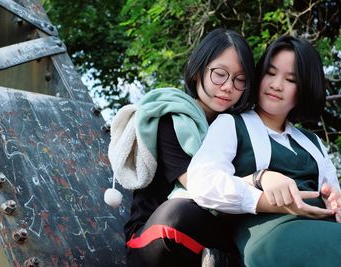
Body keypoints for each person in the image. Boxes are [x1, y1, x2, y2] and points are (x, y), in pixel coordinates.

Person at [187, 35, 341, 267]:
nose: (276, 84)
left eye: (290, 79)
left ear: (305, 89)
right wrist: (262, 185)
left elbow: (333, 195)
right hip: (272, 234)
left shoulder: (313, 142)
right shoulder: (231, 124)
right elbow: (202, 181)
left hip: (325, 227)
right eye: (270, 73)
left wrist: (336, 201)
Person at [108, 28, 256, 266]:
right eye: (220, 74)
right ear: (198, 71)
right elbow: (202, 189)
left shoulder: (242, 129)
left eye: (240, 79)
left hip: (218, 232)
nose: (228, 86)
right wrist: (260, 180)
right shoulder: (173, 118)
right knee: (179, 213)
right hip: (156, 235)